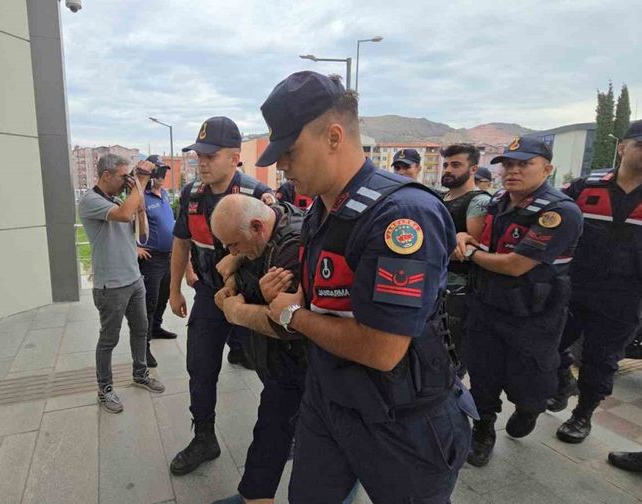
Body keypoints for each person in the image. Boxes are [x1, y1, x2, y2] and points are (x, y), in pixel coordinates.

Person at [257, 70, 474, 503]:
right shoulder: (324, 208)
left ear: (334, 136)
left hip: (403, 421)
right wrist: (295, 297)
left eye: (290, 151)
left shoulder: (402, 215)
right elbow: (324, 293)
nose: (281, 165)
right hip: (330, 401)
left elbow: (382, 348)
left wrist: (290, 314)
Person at [457, 136, 583, 467]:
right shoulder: (499, 202)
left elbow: (515, 265)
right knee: (482, 377)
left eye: (523, 164)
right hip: (487, 305)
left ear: (547, 168)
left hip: (534, 315)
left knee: (532, 386)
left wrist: (470, 253)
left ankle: (531, 409)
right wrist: (464, 238)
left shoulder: (559, 211)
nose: (513, 171)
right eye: (508, 165)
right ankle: (483, 430)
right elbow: (478, 236)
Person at [168, 116, 276, 476]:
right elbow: (181, 241)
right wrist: (173, 290)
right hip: (209, 297)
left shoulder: (257, 196)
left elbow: (278, 247)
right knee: (199, 367)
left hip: (251, 300)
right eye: (198, 154)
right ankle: (204, 438)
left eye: (210, 155)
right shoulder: (192, 195)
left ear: (234, 157)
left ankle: (286, 431)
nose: (202, 162)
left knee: (274, 371)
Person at [546, 120, 642, 444]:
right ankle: (562, 383)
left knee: (601, 360)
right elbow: (552, 215)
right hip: (575, 286)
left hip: (624, 297)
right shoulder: (587, 187)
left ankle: (582, 415)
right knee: (548, 343)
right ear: (623, 147)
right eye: (641, 145)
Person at [208, 194, 308, 504]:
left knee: (280, 432)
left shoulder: (291, 246)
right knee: (274, 430)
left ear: (257, 226)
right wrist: (237, 272)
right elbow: (249, 278)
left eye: (233, 245)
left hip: (302, 365)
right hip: (279, 365)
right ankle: (255, 494)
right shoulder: (263, 231)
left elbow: (287, 324)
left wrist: (235, 310)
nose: (230, 251)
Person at [78, 154, 166, 414]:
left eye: (130, 175)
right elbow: (123, 214)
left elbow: (142, 233)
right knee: (109, 339)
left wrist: (139, 203)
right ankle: (104, 389)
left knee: (141, 329)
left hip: (134, 279)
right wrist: (140, 182)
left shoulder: (118, 200)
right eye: (122, 175)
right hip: (111, 286)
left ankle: (140, 374)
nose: (126, 179)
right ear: (106, 175)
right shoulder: (90, 201)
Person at [440, 144, 491, 377]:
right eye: (446, 164)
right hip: (436, 286)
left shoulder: (479, 201)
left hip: (458, 292)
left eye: (456, 164)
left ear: (473, 169)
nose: (448, 169)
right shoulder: (443, 197)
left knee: (451, 362)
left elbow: (470, 248)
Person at [137, 155, 178, 369]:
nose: (163, 177)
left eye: (164, 172)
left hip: (168, 257)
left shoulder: (163, 195)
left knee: (163, 297)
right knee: (149, 304)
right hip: (151, 259)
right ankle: (143, 347)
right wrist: (135, 247)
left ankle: (157, 328)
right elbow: (126, 223)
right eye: (159, 172)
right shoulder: (140, 196)